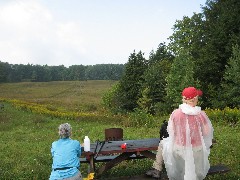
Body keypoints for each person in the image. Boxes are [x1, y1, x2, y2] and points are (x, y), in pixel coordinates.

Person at [146, 87, 214, 180]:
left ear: (184, 98)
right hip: (197, 150)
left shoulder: (176, 113)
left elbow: (171, 131)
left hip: (179, 149)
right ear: (194, 99)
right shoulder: (201, 114)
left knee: (163, 143)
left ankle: (157, 168)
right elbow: (207, 132)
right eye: (197, 97)